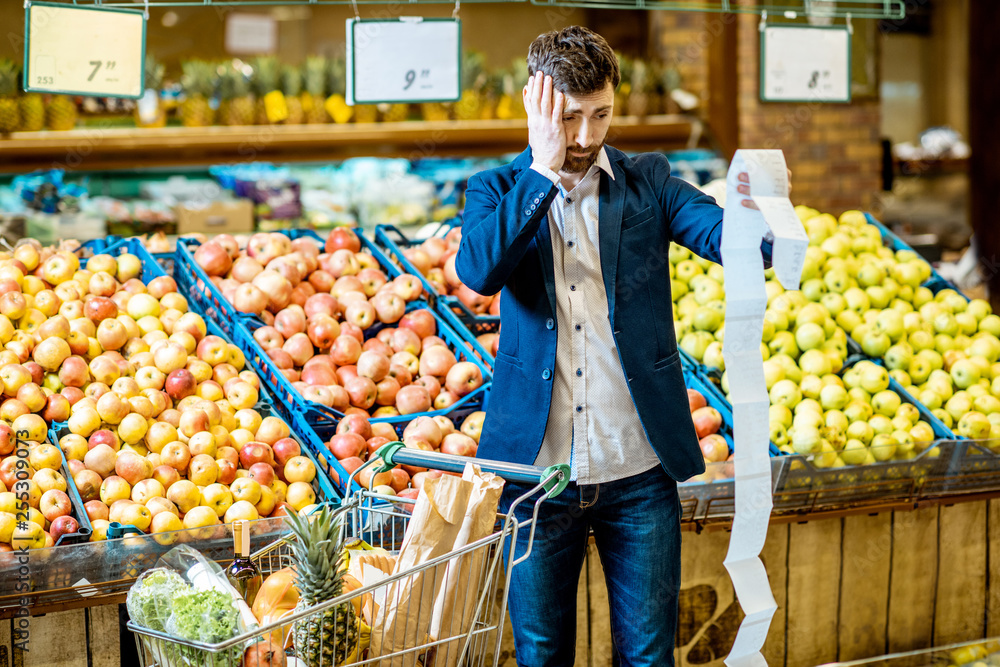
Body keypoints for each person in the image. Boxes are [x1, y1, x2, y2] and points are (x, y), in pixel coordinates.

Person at [455, 26, 775, 667]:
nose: (584, 136)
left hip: (638, 473)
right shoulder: (495, 191)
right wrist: (543, 170)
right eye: (569, 118)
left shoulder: (647, 181)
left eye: (600, 115)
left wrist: (763, 224)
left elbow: (721, 233)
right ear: (535, 104)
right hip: (536, 479)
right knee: (542, 655)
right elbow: (478, 271)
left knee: (650, 657)